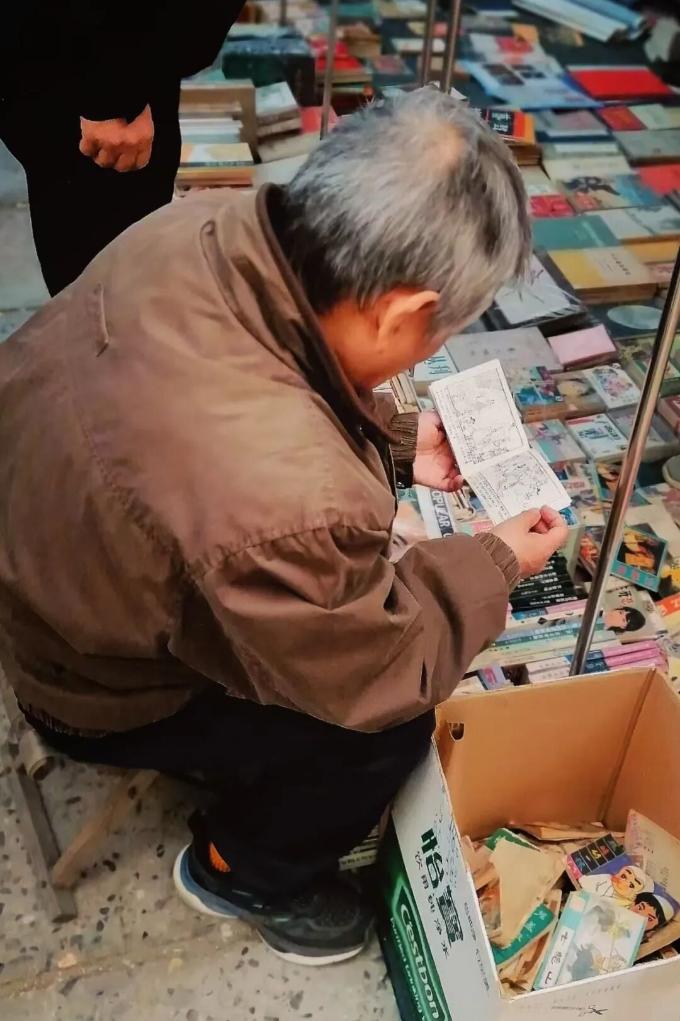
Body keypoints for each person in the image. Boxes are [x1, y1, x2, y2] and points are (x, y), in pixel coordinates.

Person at [0, 89, 567, 965]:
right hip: (88, 679)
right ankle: (240, 870)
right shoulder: (292, 499)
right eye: (435, 332)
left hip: (43, 568)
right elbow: (373, 668)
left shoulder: (202, 226)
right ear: (399, 314)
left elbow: (260, 374)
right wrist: (494, 561)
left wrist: (393, 436)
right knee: (387, 727)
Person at [0, 1, 241, 295]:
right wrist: (112, 98)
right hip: (99, 76)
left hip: (101, 63)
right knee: (108, 289)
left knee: (110, 280)